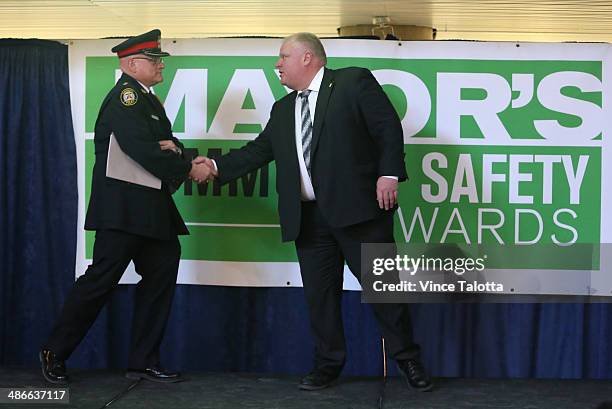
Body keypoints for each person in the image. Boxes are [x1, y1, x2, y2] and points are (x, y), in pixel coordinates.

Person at [195, 32, 432, 391]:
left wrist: (389, 173)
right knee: (320, 299)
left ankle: (409, 361)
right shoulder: (283, 108)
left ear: (308, 57)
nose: (277, 64)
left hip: (360, 214)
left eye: (283, 56)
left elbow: (386, 126)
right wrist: (213, 167)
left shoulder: (352, 82)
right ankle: (328, 365)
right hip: (309, 219)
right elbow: (257, 152)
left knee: (384, 292)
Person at [40, 29, 213, 384]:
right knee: (100, 281)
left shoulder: (148, 99)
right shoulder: (128, 97)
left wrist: (181, 155)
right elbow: (146, 149)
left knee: (160, 280)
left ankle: (143, 360)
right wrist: (186, 165)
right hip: (123, 211)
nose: (161, 65)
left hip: (152, 211)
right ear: (133, 64)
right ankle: (54, 351)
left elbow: (168, 145)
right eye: (154, 60)